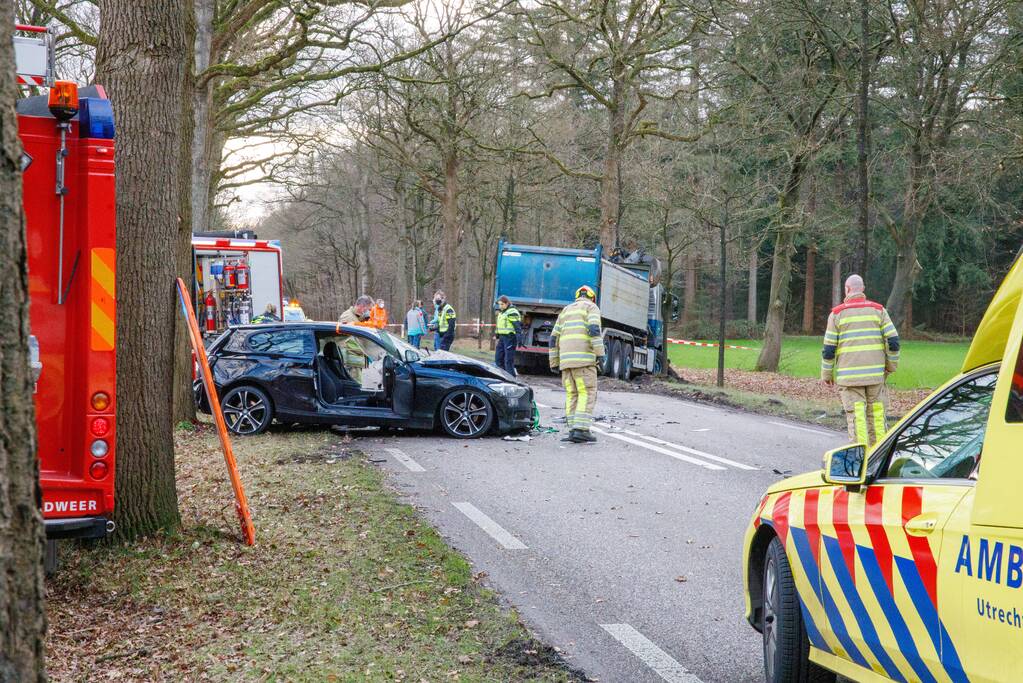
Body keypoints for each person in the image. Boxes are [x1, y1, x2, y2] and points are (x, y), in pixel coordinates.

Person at [821, 274, 900, 446]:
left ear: (847, 290)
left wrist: (827, 374)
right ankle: (878, 457)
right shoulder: (879, 311)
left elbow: (828, 350)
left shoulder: (837, 314)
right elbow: (894, 341)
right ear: (862, 289)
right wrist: (890, 366)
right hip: (875, 377)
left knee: (858, 420)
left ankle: (860, 458)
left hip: (850, 379)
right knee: (878, 417)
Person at [550, 285, 605, 444]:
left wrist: (554, 362)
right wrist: (600, 355)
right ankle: (581, 430)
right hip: (583, 361)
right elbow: (594, 330)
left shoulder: (566, 311)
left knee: (572, 394)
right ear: (592, 297)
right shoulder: (591, 307)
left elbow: (553, 338)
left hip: (566, 363)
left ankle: (573, 429)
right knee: (586, 392)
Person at [494, 295, 522, 375]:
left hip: (510, 338)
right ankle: (502, 377)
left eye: (502, 304)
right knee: (498, 360)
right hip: (502, 338)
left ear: (507, 303)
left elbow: (517, 326)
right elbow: (500, 324)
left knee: (508, 361)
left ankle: (511, 379)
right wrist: (497, 334)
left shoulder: (512, 312)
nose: (500, 306)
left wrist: (519, 337)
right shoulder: (502, 312)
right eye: (499, 304)